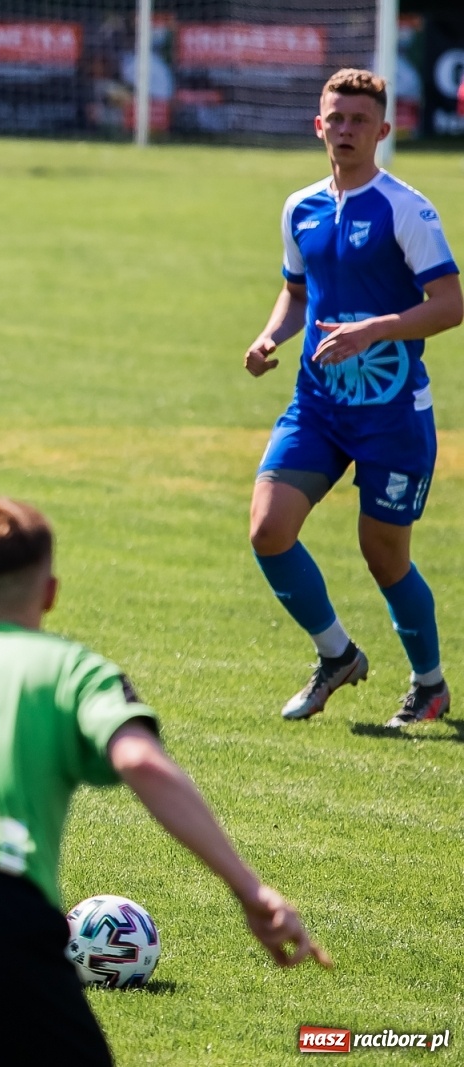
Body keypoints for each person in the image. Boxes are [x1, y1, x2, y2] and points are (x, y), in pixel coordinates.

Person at [0, 498, 330, 1067]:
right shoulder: (72, 670)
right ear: (50, 593)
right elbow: (143, 762)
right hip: (0, 912)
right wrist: (250, 891)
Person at [245, 69, 462, 727]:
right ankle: (336, 654)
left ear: (382, 130)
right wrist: (270, 334)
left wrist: (377, 328)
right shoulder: (300, 207)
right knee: (268, 530)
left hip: (392, 415)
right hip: (317, 405)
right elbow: (297, 291)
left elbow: (450, 304)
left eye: (359, 121)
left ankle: (429, 686)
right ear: (319, 125)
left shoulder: (405, 209)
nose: (345, 130)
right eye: (335, 119)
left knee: (384, 555)